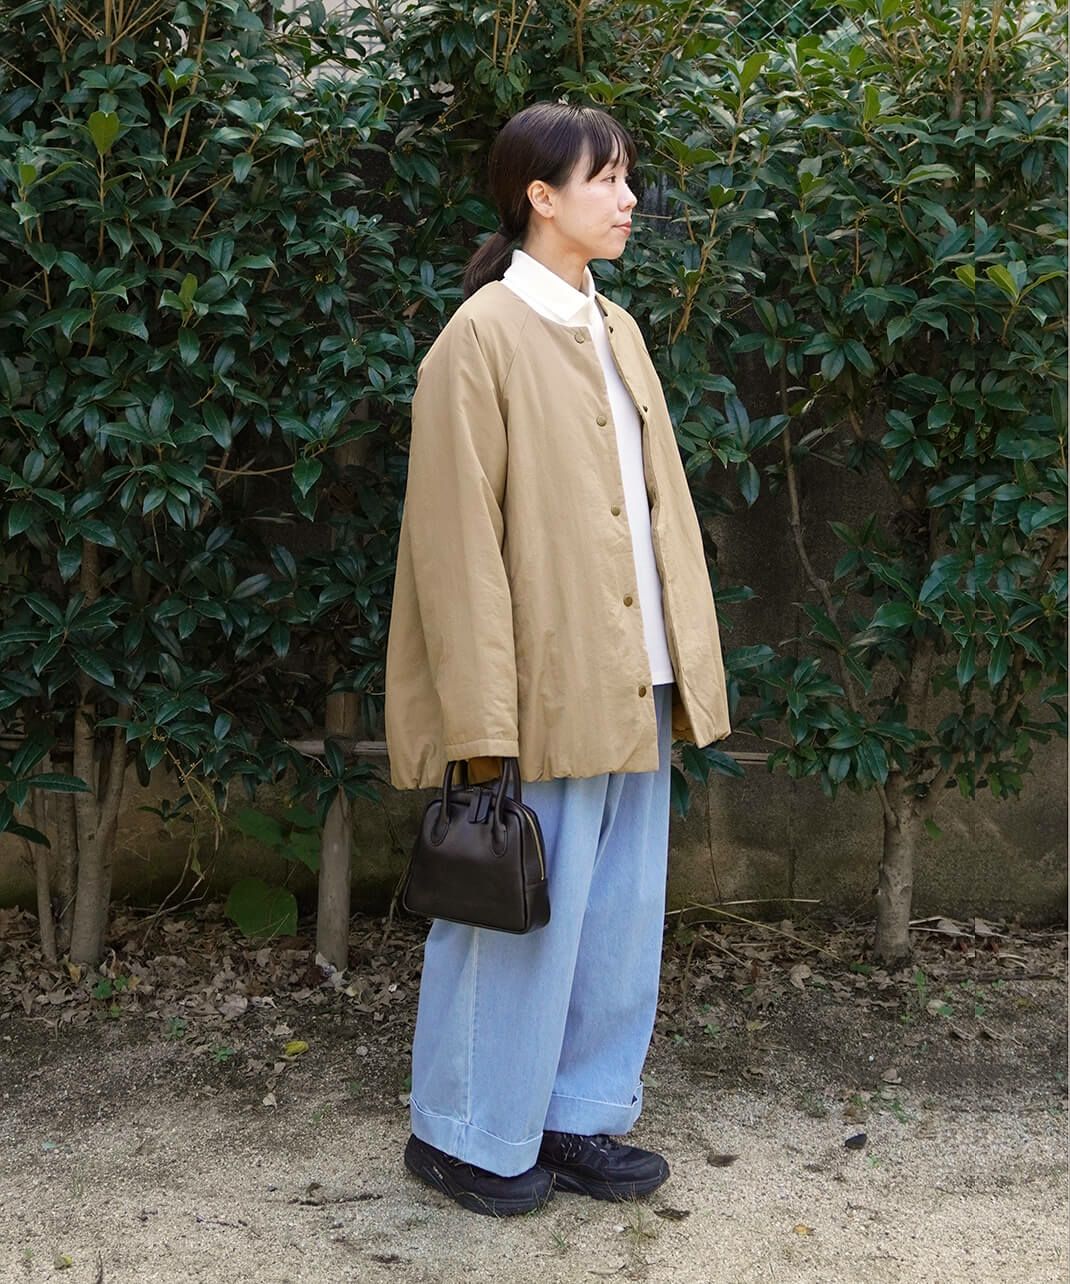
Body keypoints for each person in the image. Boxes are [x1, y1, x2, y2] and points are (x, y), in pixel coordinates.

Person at [384, 101, 732, 1217]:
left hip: (633, 675)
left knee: (616, 921)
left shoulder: (614, 326)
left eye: (627, 177)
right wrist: (481, 726)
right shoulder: (479, 337)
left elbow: (655, 511)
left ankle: (574, 1115)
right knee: (512, 915)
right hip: (539, 689)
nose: (629, 200)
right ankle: (461, 1136)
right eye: (607, 179)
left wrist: (684, 662)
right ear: (540, 195)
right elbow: (454, 549)